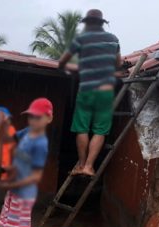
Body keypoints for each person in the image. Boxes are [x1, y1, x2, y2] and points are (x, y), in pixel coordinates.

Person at [0, 98, 52, 227]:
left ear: (48, 118)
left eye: (37, 118)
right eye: (30, 117)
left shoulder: (40, 144)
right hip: (15, 189)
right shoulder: (28, 133)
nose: (33, 121)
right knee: (6, 223)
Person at [58, 9, 121, 176]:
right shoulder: (113, 39)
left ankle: (81, 164)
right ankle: (89, 167)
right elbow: (118, 64)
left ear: (87, 23)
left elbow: (62, 62)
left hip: (86, 91)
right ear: (101, 23)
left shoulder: (81, 39)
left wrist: (76, 67)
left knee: (82, 128)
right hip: (105, 92)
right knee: (100, 130)